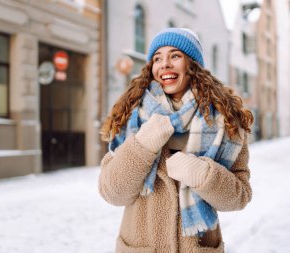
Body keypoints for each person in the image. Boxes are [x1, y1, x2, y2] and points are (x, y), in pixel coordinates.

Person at [98, 28, 253, 253]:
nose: (165, 64)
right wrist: (143, 144)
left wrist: (204, 175)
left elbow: (240, 197)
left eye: (175, 56)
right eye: (157, 58)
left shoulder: (226, 121)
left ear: (193, 65)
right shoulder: (133, 116)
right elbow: (112, 192)